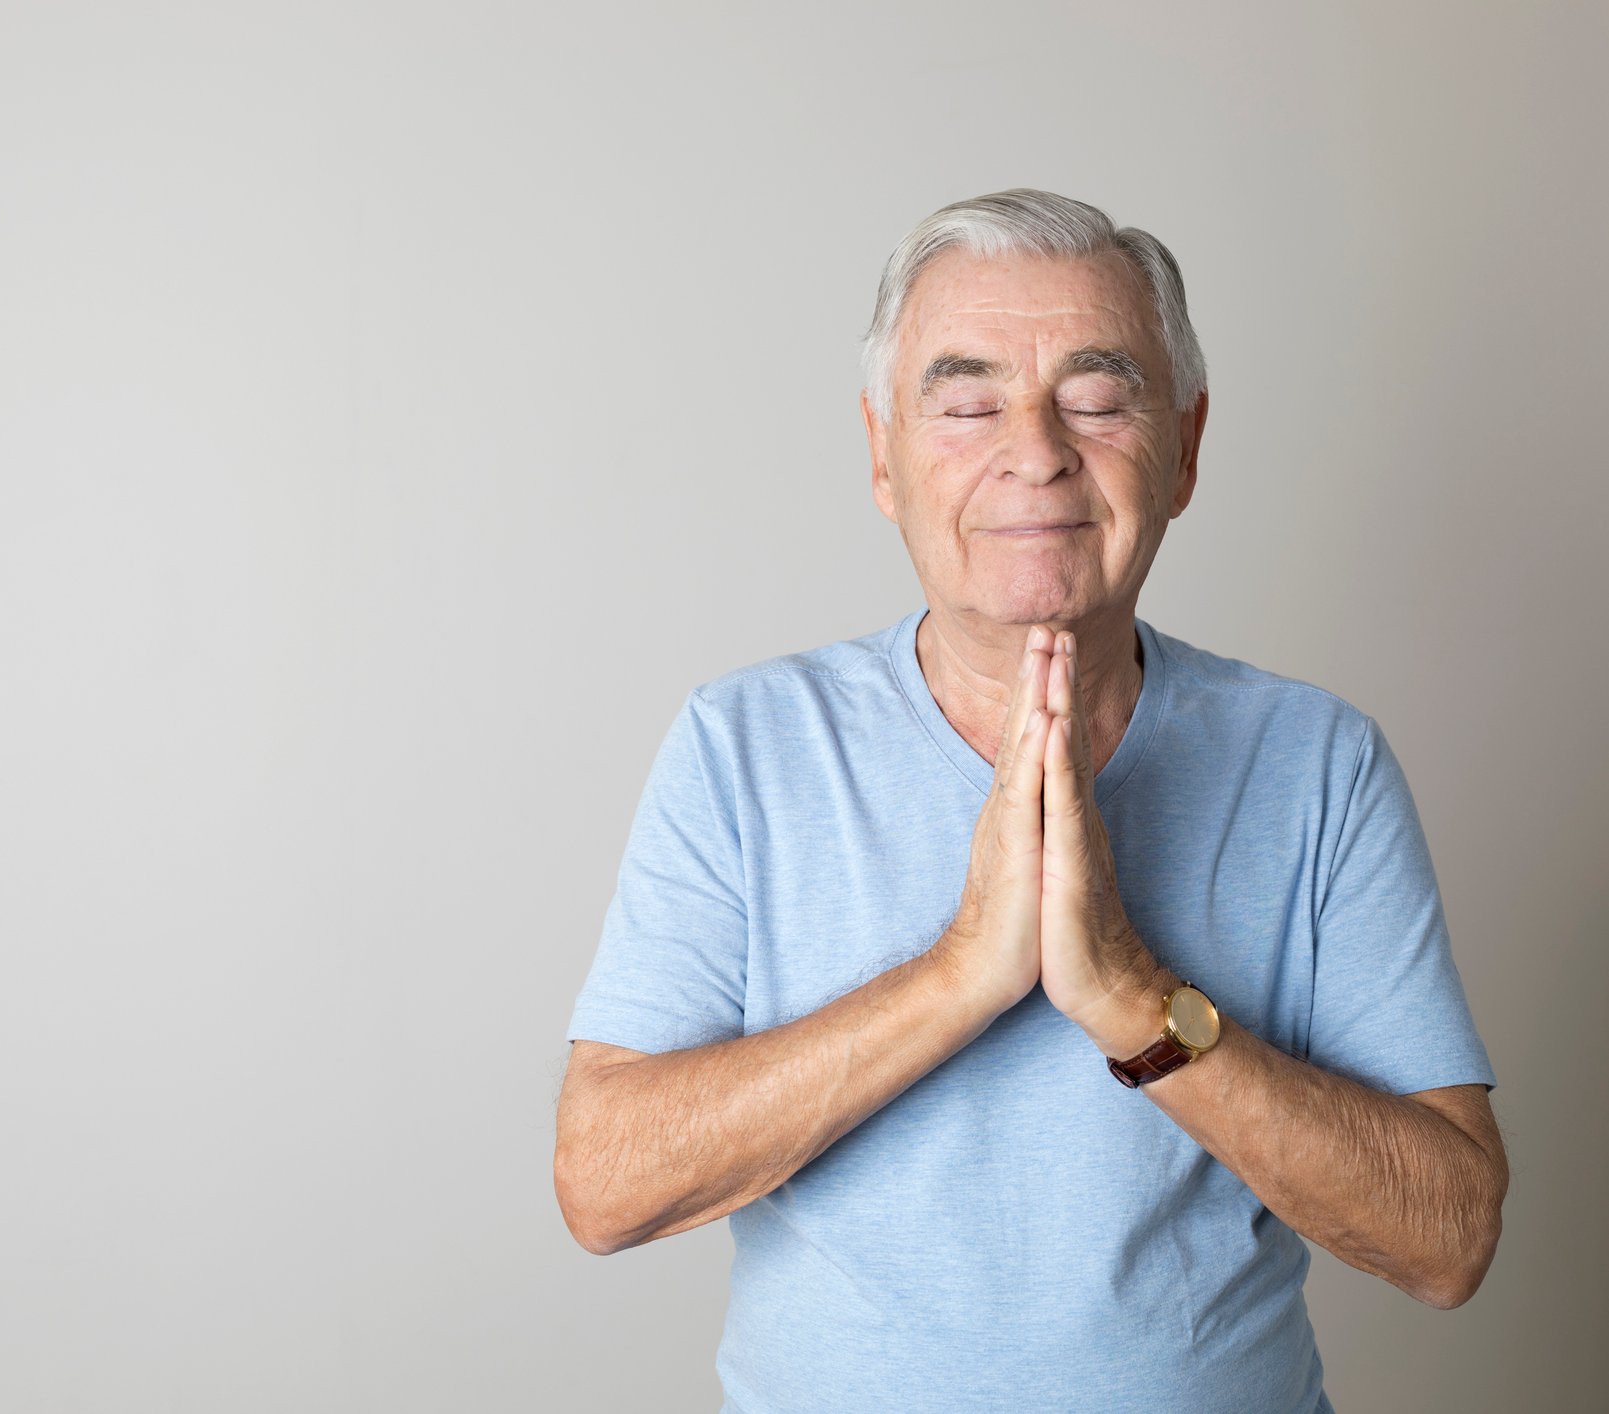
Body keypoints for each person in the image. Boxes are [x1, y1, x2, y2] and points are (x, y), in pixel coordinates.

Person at [551, 188, 1507, 1414]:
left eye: (1099, 398)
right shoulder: (744, 744)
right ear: (882, 455)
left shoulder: (1318, 759)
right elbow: (605, 1181)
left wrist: (1129, 999)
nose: (1038, 448)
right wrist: (961, 973)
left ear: (1188, 448)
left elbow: (1450, 1234)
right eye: (965, 401)